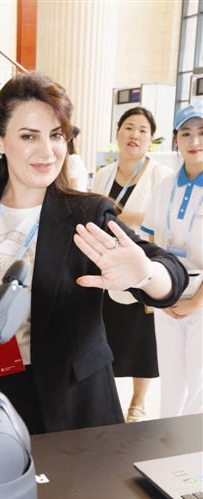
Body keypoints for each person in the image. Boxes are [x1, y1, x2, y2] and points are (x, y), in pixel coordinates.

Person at [0, 72, 187, 434]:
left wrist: (144, 275)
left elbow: (172, 275)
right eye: (29, 136)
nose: (47, 151)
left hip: (74, 405)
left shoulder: (86, 214)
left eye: (56, 135)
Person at [92, 107, 173, 422]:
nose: (134, 135)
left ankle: (138, 402)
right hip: (106, 263)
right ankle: (106, 397)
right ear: (117, 133)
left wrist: (120, 217)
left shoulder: (160, 175)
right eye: (128, 127)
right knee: (106, 332)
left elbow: (160, 220)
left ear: (151, 139)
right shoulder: (103, 174)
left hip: (143, 263)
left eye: (142, 130)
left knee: (142, 337)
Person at [141, 101, 203, 417]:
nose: (195, 141)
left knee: (199, 386)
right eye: (186, 133)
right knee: (171, 382)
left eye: (202, 132)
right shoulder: (164, 186)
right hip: (168, 296)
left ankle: (193, 445)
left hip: (202, 302)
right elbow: (152, 241)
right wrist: (158, 293)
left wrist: (196, 302)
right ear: (176, 138)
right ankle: (167, 442)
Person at [67, 126, 88, 191]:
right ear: (74, 139)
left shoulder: (67, 158)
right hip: (77, 195)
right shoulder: (74, 159)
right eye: (79, 136)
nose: (80, 139)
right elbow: (73, 186)